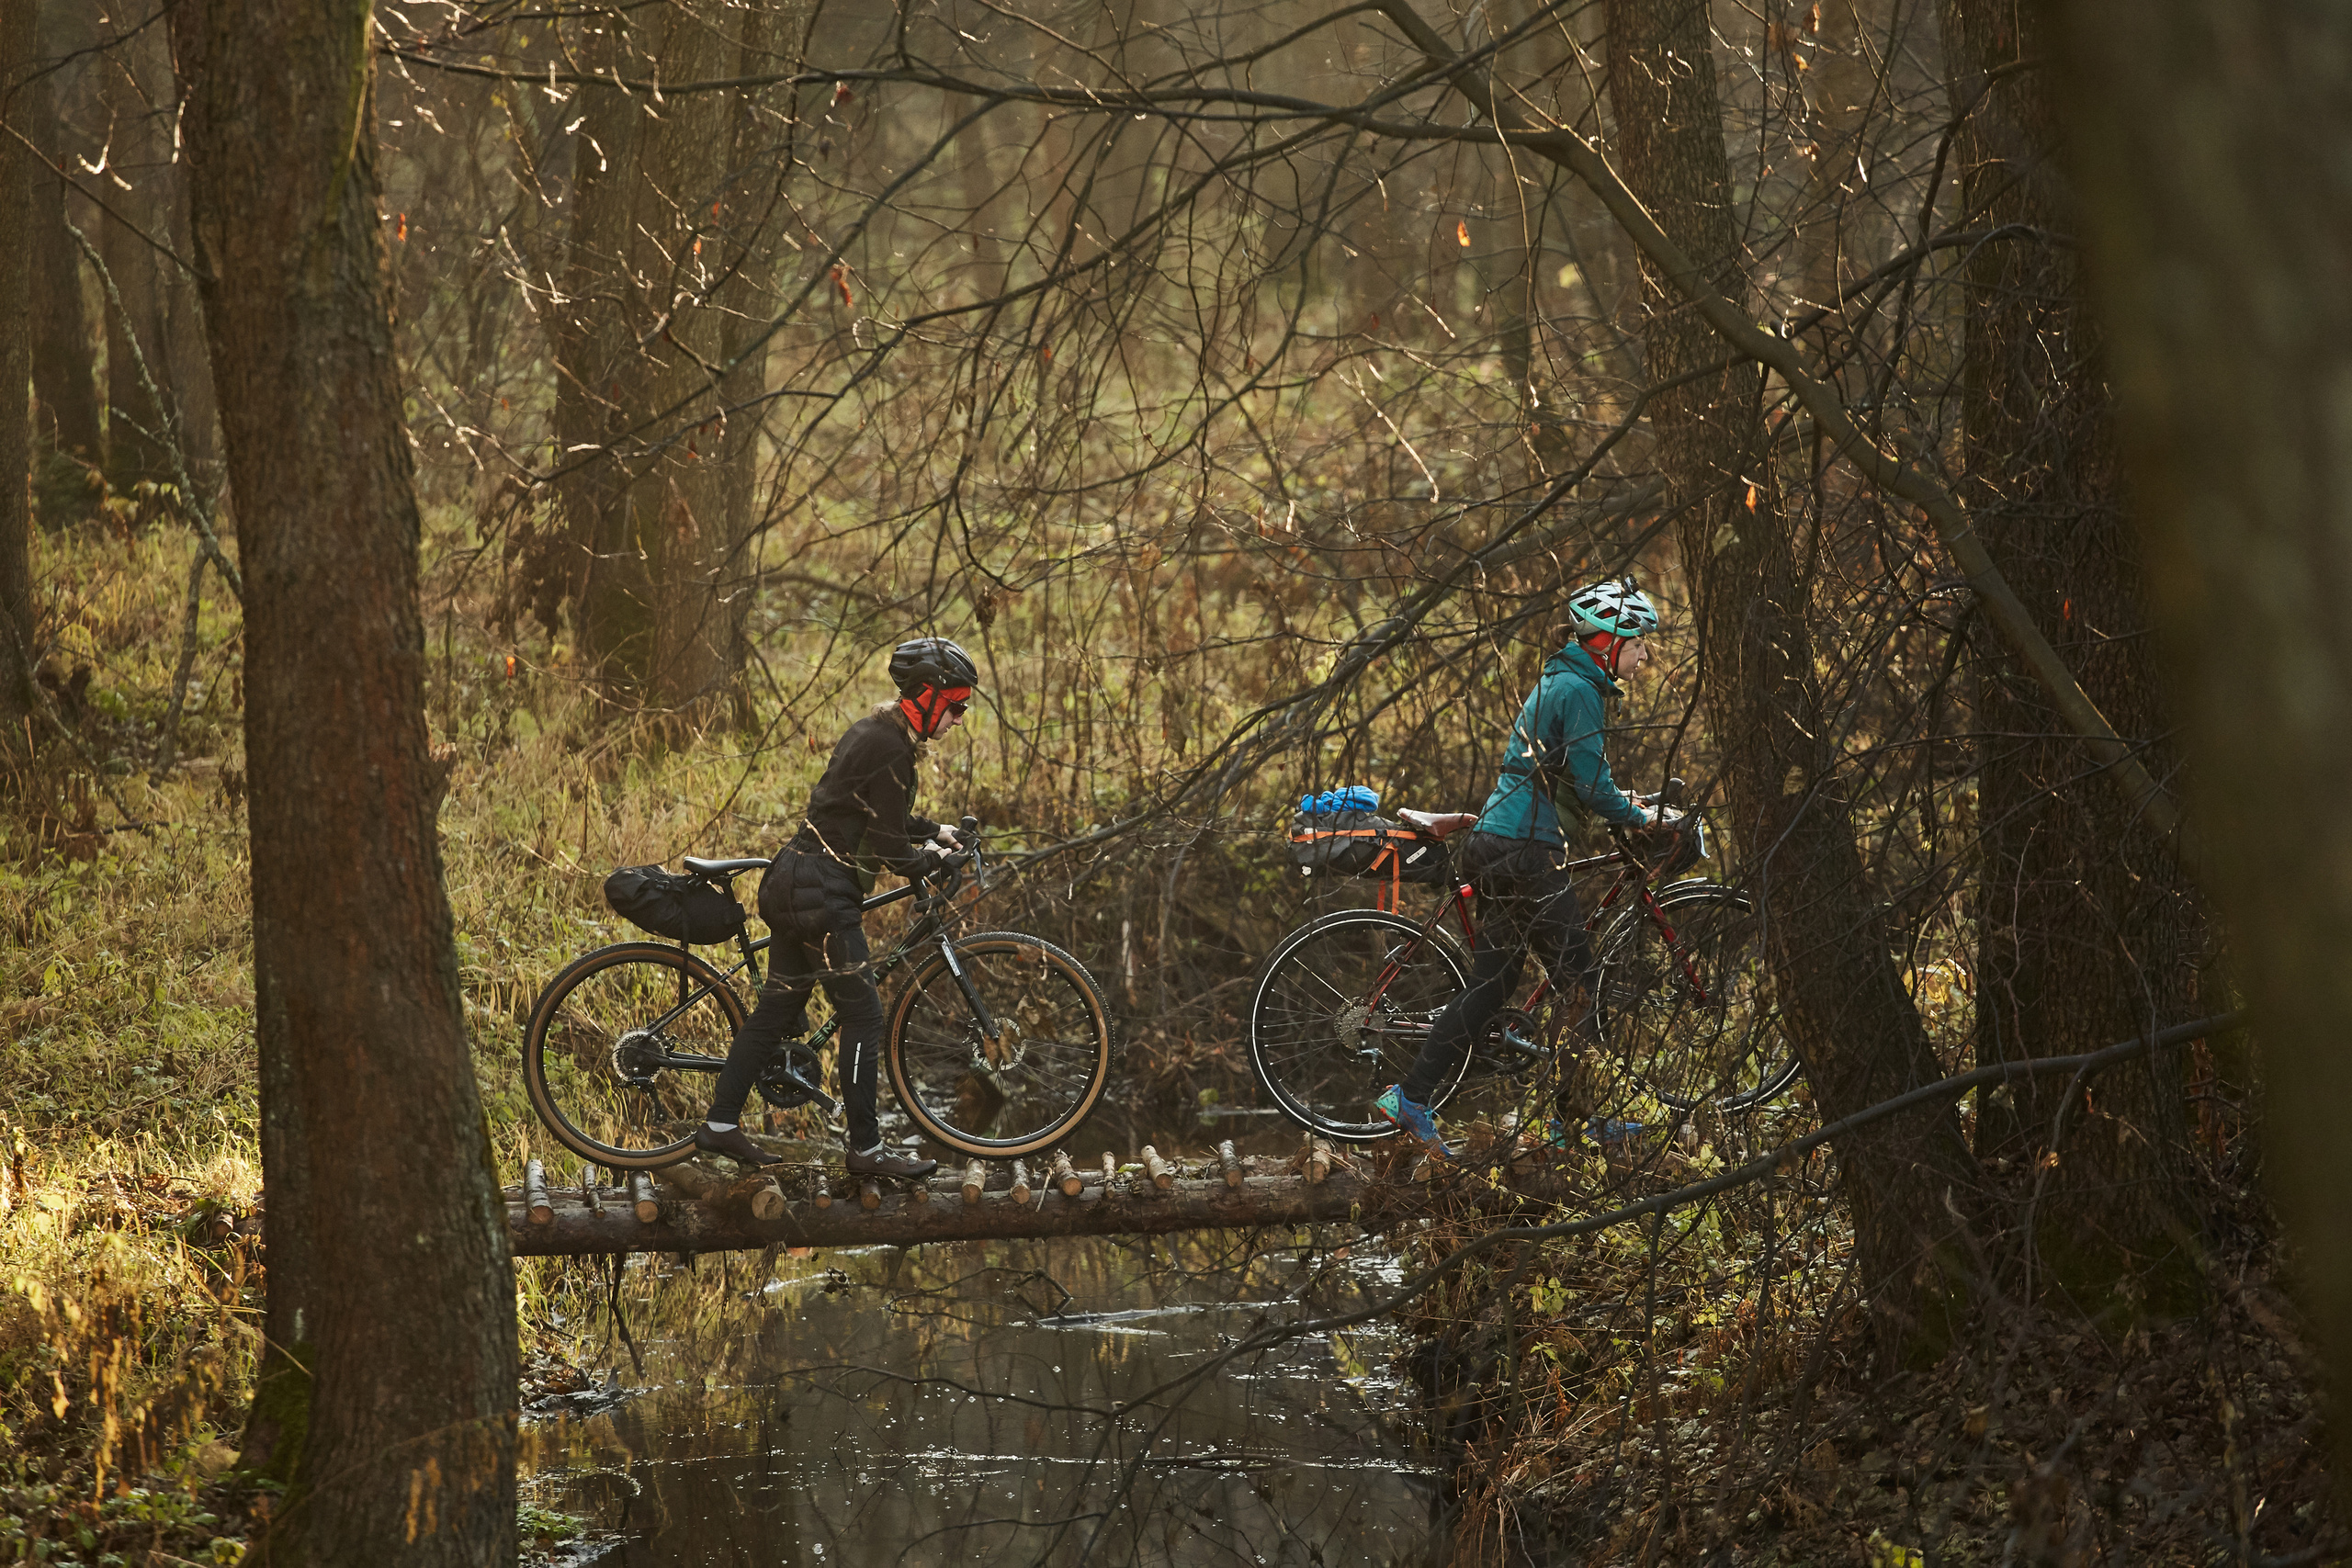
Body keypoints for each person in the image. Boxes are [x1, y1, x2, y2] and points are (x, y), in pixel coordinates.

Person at [1374, 580, 1664, 1156]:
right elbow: (1591, 784)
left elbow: (1573, 778)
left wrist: (1624, 804)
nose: (1644, 656)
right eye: (1637, 645)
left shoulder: (1561, 679)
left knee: (1493, 984)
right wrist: (1643, 818)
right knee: (1579, 983)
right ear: (1607, 642)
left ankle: (1410, 1098)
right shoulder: (1579, 689)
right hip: (1526, 850)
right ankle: (1572, 1124)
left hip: (1499, 842)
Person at [694, 637, 980, 1179]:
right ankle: (866, 1150)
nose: (960, 718)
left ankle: (722, 1123)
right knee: (864, 1016)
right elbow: (890, 846)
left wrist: (936, 832)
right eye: (956, 705)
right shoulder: (891, 748)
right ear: (927, 696)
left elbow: (873, 815)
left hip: (796, 880)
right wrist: (931, 861)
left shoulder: (876, 733)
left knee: (776, 1010)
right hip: (820, 897)